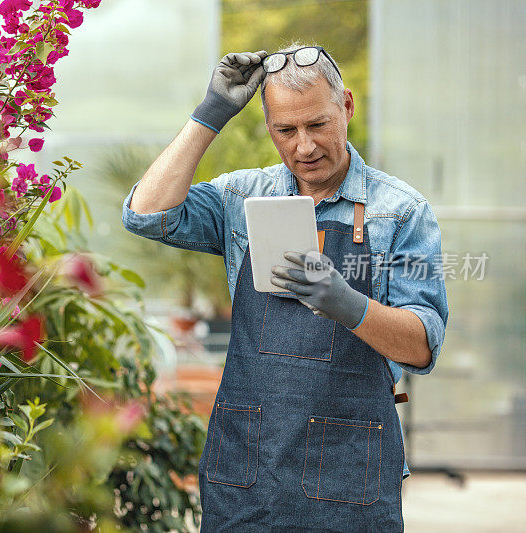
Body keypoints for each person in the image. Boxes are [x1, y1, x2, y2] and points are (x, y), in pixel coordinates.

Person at [121, 43, 449, 531]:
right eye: (285, 130)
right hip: (245, 474)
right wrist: (212, 113)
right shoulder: (242, 198)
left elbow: (423, 344)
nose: (304, 147)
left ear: (347, 107)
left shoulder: (400, 211)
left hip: (349, 475)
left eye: (317, 125)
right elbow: (146, 216)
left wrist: (347, 303)